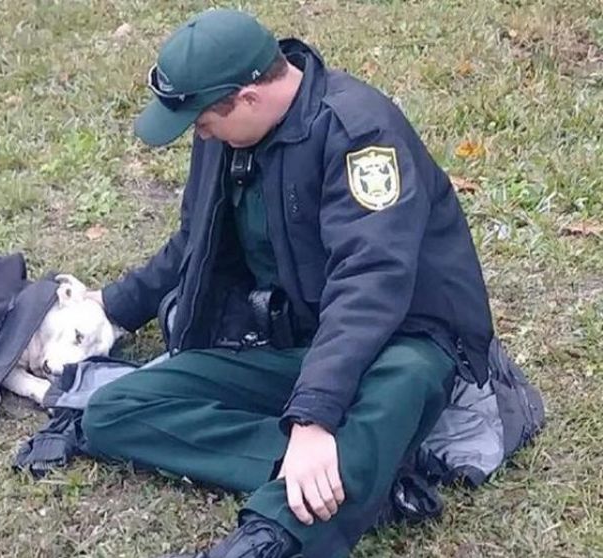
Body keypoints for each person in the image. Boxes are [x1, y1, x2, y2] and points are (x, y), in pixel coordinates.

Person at [80, 8, 496, 558]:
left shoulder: (359, 133)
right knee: (113, 410)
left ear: (247, 98)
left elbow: (370, 283)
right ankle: (344, 475)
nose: (198, 134)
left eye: (202, 122)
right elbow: (193, 242)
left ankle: (277, 533)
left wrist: (313, 416)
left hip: (400, 339)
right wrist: (113, 307)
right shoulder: (224, 135)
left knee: (407, 377)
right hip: (300, 344)